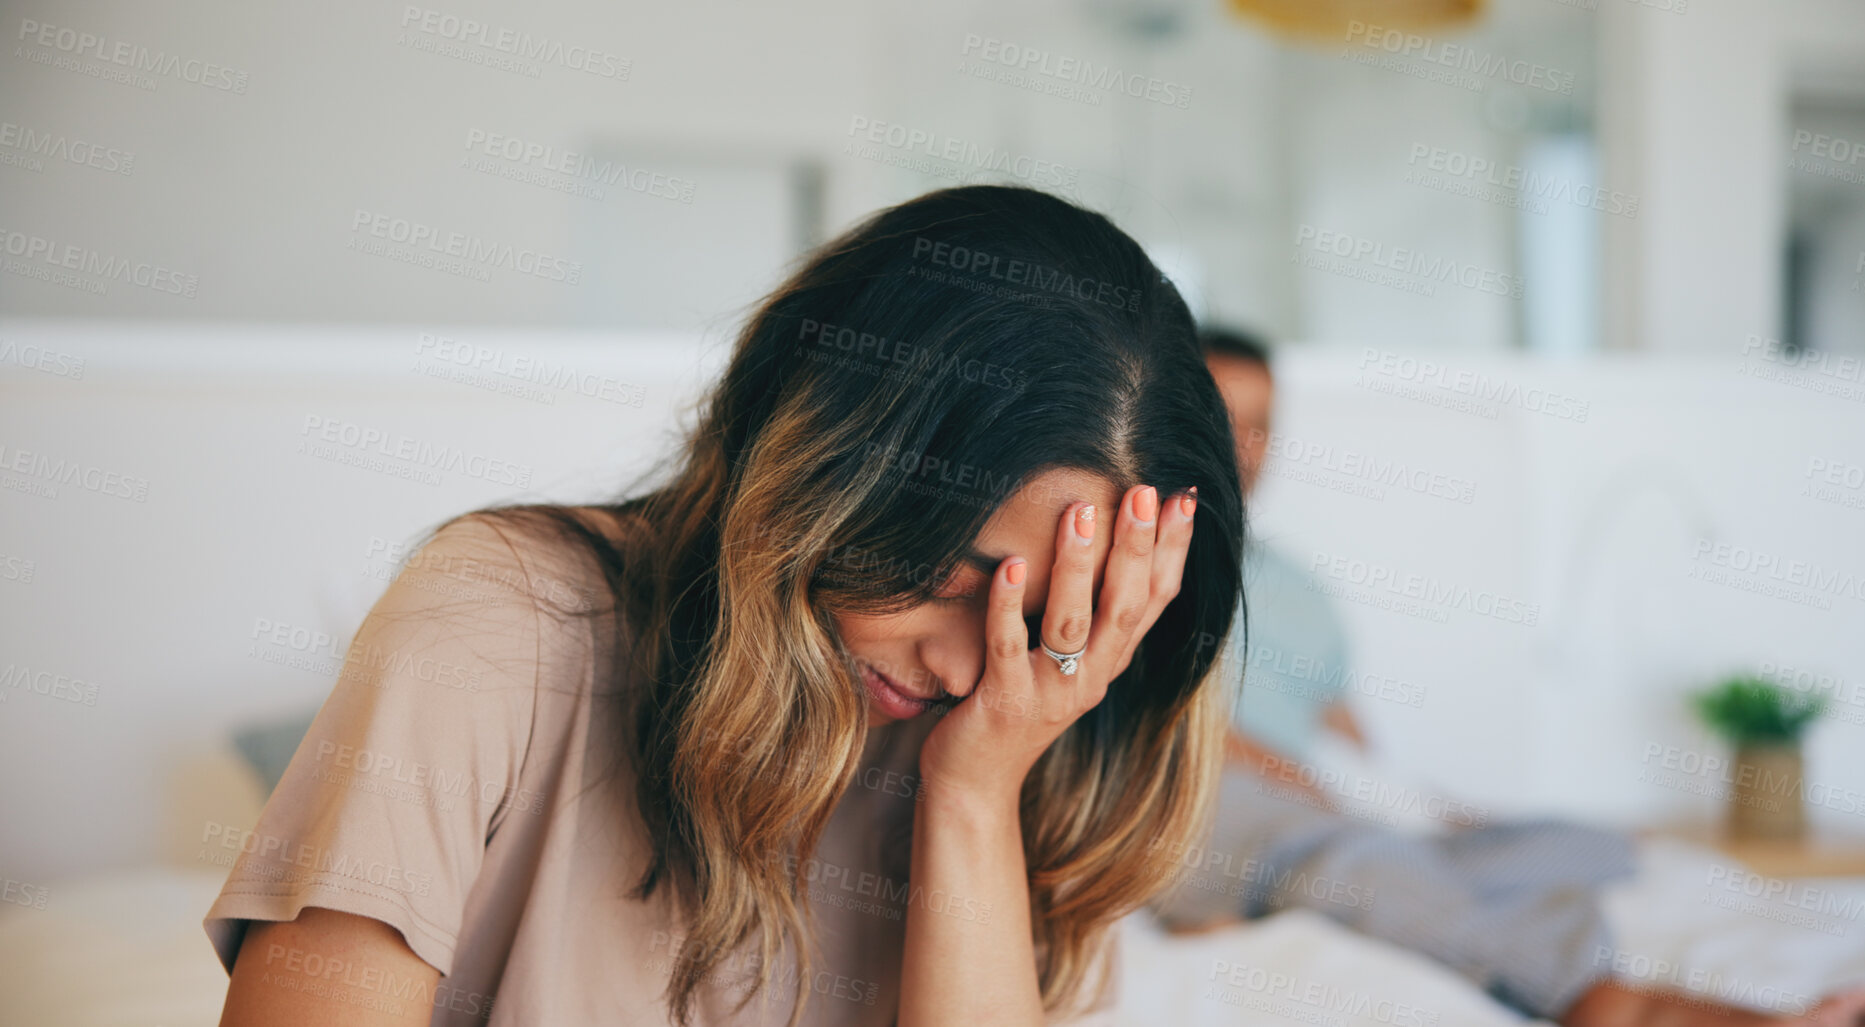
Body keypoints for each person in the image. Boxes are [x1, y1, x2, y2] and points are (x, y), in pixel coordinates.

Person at [202, 185, 1248, 1027]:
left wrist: (974, 796)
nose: (971, 669)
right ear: (819, 464)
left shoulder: (1030, 734)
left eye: (1048, 617)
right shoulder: (499, 616)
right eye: (948, 571)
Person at [1154, 326, 1865, 1027]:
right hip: (1200, 790)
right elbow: (1155, 720)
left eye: (1262, 422)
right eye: (1223, 415)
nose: (1244, 444)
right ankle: (1637, 1003)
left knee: (1574, 845)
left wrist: (1431, 810)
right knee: (1355, 860)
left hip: (1314, 797)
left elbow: (1345, 731)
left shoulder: (1297, 589)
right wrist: (1306, 788)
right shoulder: (1152, 566)